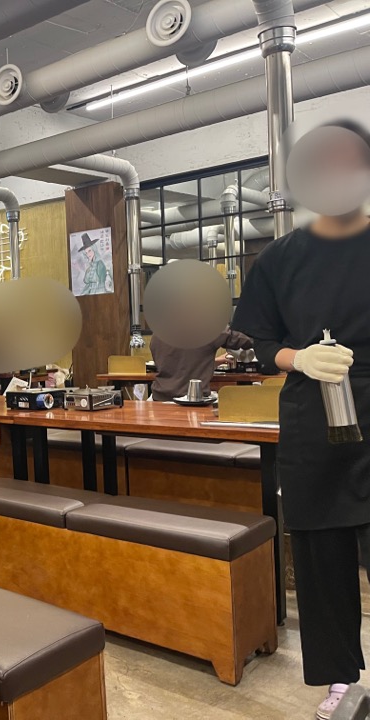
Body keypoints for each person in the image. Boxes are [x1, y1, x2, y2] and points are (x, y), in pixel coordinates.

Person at [232, 120, 370, 720]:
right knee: (321, 555)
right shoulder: (280, 258)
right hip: (314, 415)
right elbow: (260, 343)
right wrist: (301, 357)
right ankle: (339, 679)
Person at [149, 328, 254, 401]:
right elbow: (240, 339)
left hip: (159, 398)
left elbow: (179, 363)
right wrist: (259, 340)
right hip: (192, 400)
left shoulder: (157, 334)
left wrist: (213, 362)